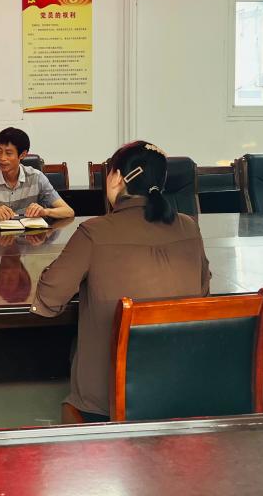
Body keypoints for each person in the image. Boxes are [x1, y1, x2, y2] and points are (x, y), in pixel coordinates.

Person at [30, 141, 210, 422]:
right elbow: (203, 293)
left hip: (109, 401)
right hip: (181, 387)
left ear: (116, 178)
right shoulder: (189, 226)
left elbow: (49, 299)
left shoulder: (94, 232)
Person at [0, 127, 74, 222]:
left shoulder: (37, 177)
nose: (2, 158)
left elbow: (68, 211)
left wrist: (45, 211)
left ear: (22, 155)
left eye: (8, 153)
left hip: (29, 240)